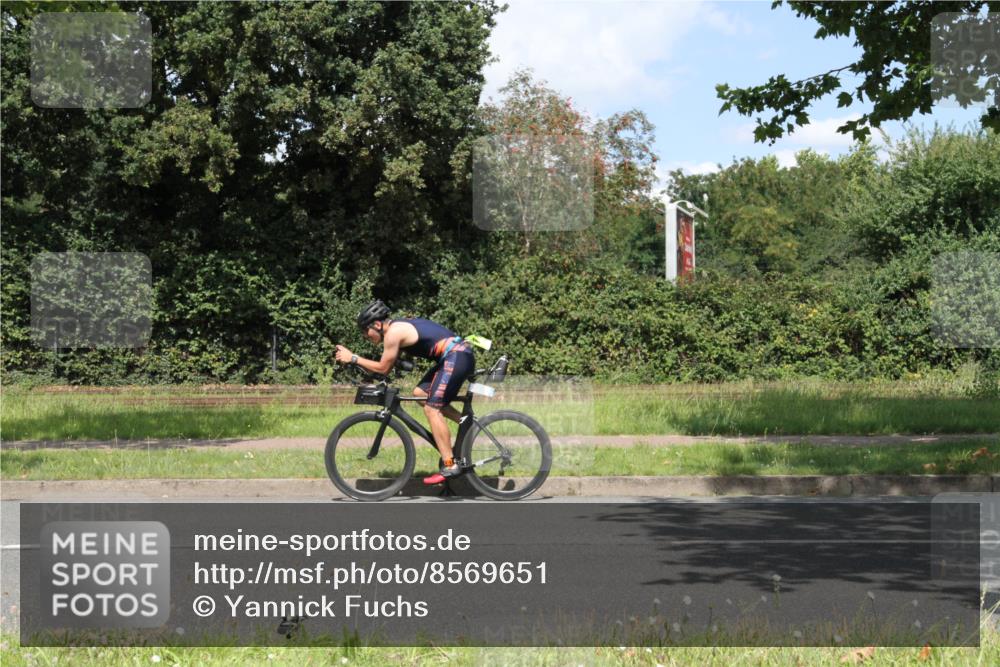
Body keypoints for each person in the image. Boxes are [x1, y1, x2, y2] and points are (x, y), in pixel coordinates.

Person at [334, 299, 475, 484]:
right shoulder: (397, 328)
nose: (365, 336)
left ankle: (450, 465)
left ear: (377, 324)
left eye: (365, 331)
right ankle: (464, 421)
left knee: (432, 409)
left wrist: (353, 358)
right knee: (419, 393)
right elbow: (388, 366)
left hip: (456, 356)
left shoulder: (393, 333)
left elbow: (383, 368)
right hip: (454, 355)